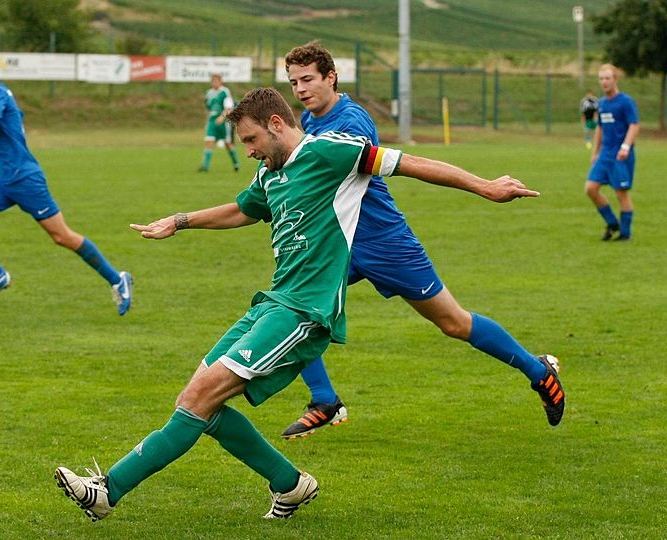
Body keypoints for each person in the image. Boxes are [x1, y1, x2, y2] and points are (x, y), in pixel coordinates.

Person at [54, 87, 556, 522]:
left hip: (305, 312)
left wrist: (485, 185)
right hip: (273, 302)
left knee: (198, 399)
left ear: (276, 124)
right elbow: (241, 210)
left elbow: (412, 164)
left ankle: (107, 492)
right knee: (198, 401)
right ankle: (290, 483)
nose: (248, 151)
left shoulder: (332, 152)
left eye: (251, 139)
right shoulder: (270, 175)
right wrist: (180, 220)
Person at [278, 41, 565, 439]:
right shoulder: (310, 123)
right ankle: (324, 399)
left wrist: (483, 186)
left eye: (308, 79)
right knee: (295, 306)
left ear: (331, 77)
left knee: (453, 322)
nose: (301, 89)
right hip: (341, 244)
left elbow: (409, 165)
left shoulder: (352, 123)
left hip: (384, 242)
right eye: (293, 82)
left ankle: (539, 372)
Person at [0, 49, 133, 310]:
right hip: (7, 180)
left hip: (26, 181)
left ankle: (117, 280)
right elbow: (11, 128)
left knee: (62, 236)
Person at [586, 63, 639, 242]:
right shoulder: (601, 104)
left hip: (620, 155)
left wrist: (625, 147)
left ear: (615, 79)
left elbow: (634, 125)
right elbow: (600, 128)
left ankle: (625, 234)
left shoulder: (625, 102)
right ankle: (612, 222)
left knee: (620, 193)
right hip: (605, 155)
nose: (604, 82)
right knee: (591, 189)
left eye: (607, 78)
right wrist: (595, 152)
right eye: (601, 78)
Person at [197, 73, 240, 172]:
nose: (215, 83)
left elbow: (229, 108)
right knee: (209, 142)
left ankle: (236, 163)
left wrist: (222, 117)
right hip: (212, 122)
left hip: (223, 122)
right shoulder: (209, 93)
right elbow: (208, 109)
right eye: (213, 81)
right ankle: (205, 167)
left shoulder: (225, 92)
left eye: (217, 81)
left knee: (227, 144)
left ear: (221, 81)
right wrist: (207, 122)